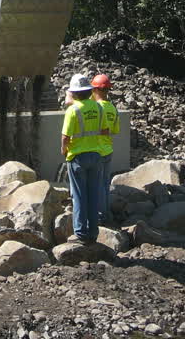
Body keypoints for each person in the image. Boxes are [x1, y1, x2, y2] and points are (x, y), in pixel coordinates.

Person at [61, 73, 105, 245]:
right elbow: (102, 130)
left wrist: (64, 150)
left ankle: (80, 234)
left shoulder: (73, 110)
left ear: (74, 93)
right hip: (96, 155)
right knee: (93, 195)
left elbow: (65, 137)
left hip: (78, 157)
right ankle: (93, 233)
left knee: (79, 196)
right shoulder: (98, 108)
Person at [92, 74, 119, 224]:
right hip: (108, 150)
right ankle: (106, 214)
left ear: (95, 89)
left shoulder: (96, 108)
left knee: (97, 186)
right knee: (104, 184)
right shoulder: (112, 109)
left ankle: (100, 217)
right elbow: (114, 130)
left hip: (96, 151)